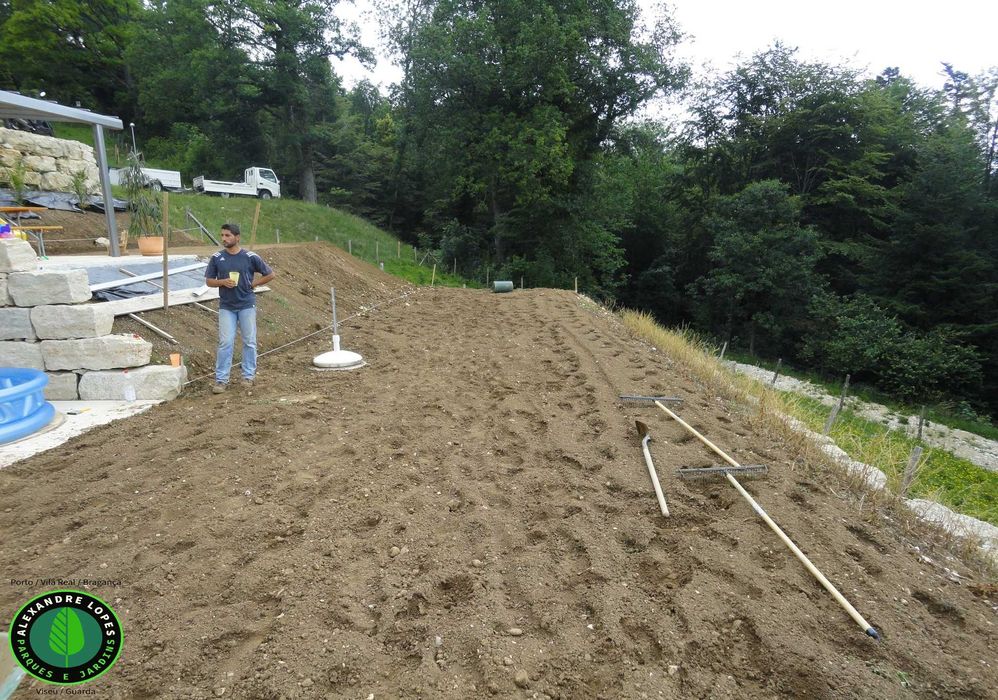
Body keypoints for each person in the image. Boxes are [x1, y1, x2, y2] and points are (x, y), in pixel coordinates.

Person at [205, 223, 275, 393]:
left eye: (228, 235)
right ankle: (221, 380)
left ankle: (248, 376)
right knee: (225, 342)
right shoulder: (217, 258)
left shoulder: (250, 257)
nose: (224, 239)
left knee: (249, 341)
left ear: (237, 237)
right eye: (222, 235)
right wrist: (222, 282)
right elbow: (208, 281)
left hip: (246, 304)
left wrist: (254, 284)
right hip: (226, 306)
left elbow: (270, 274)